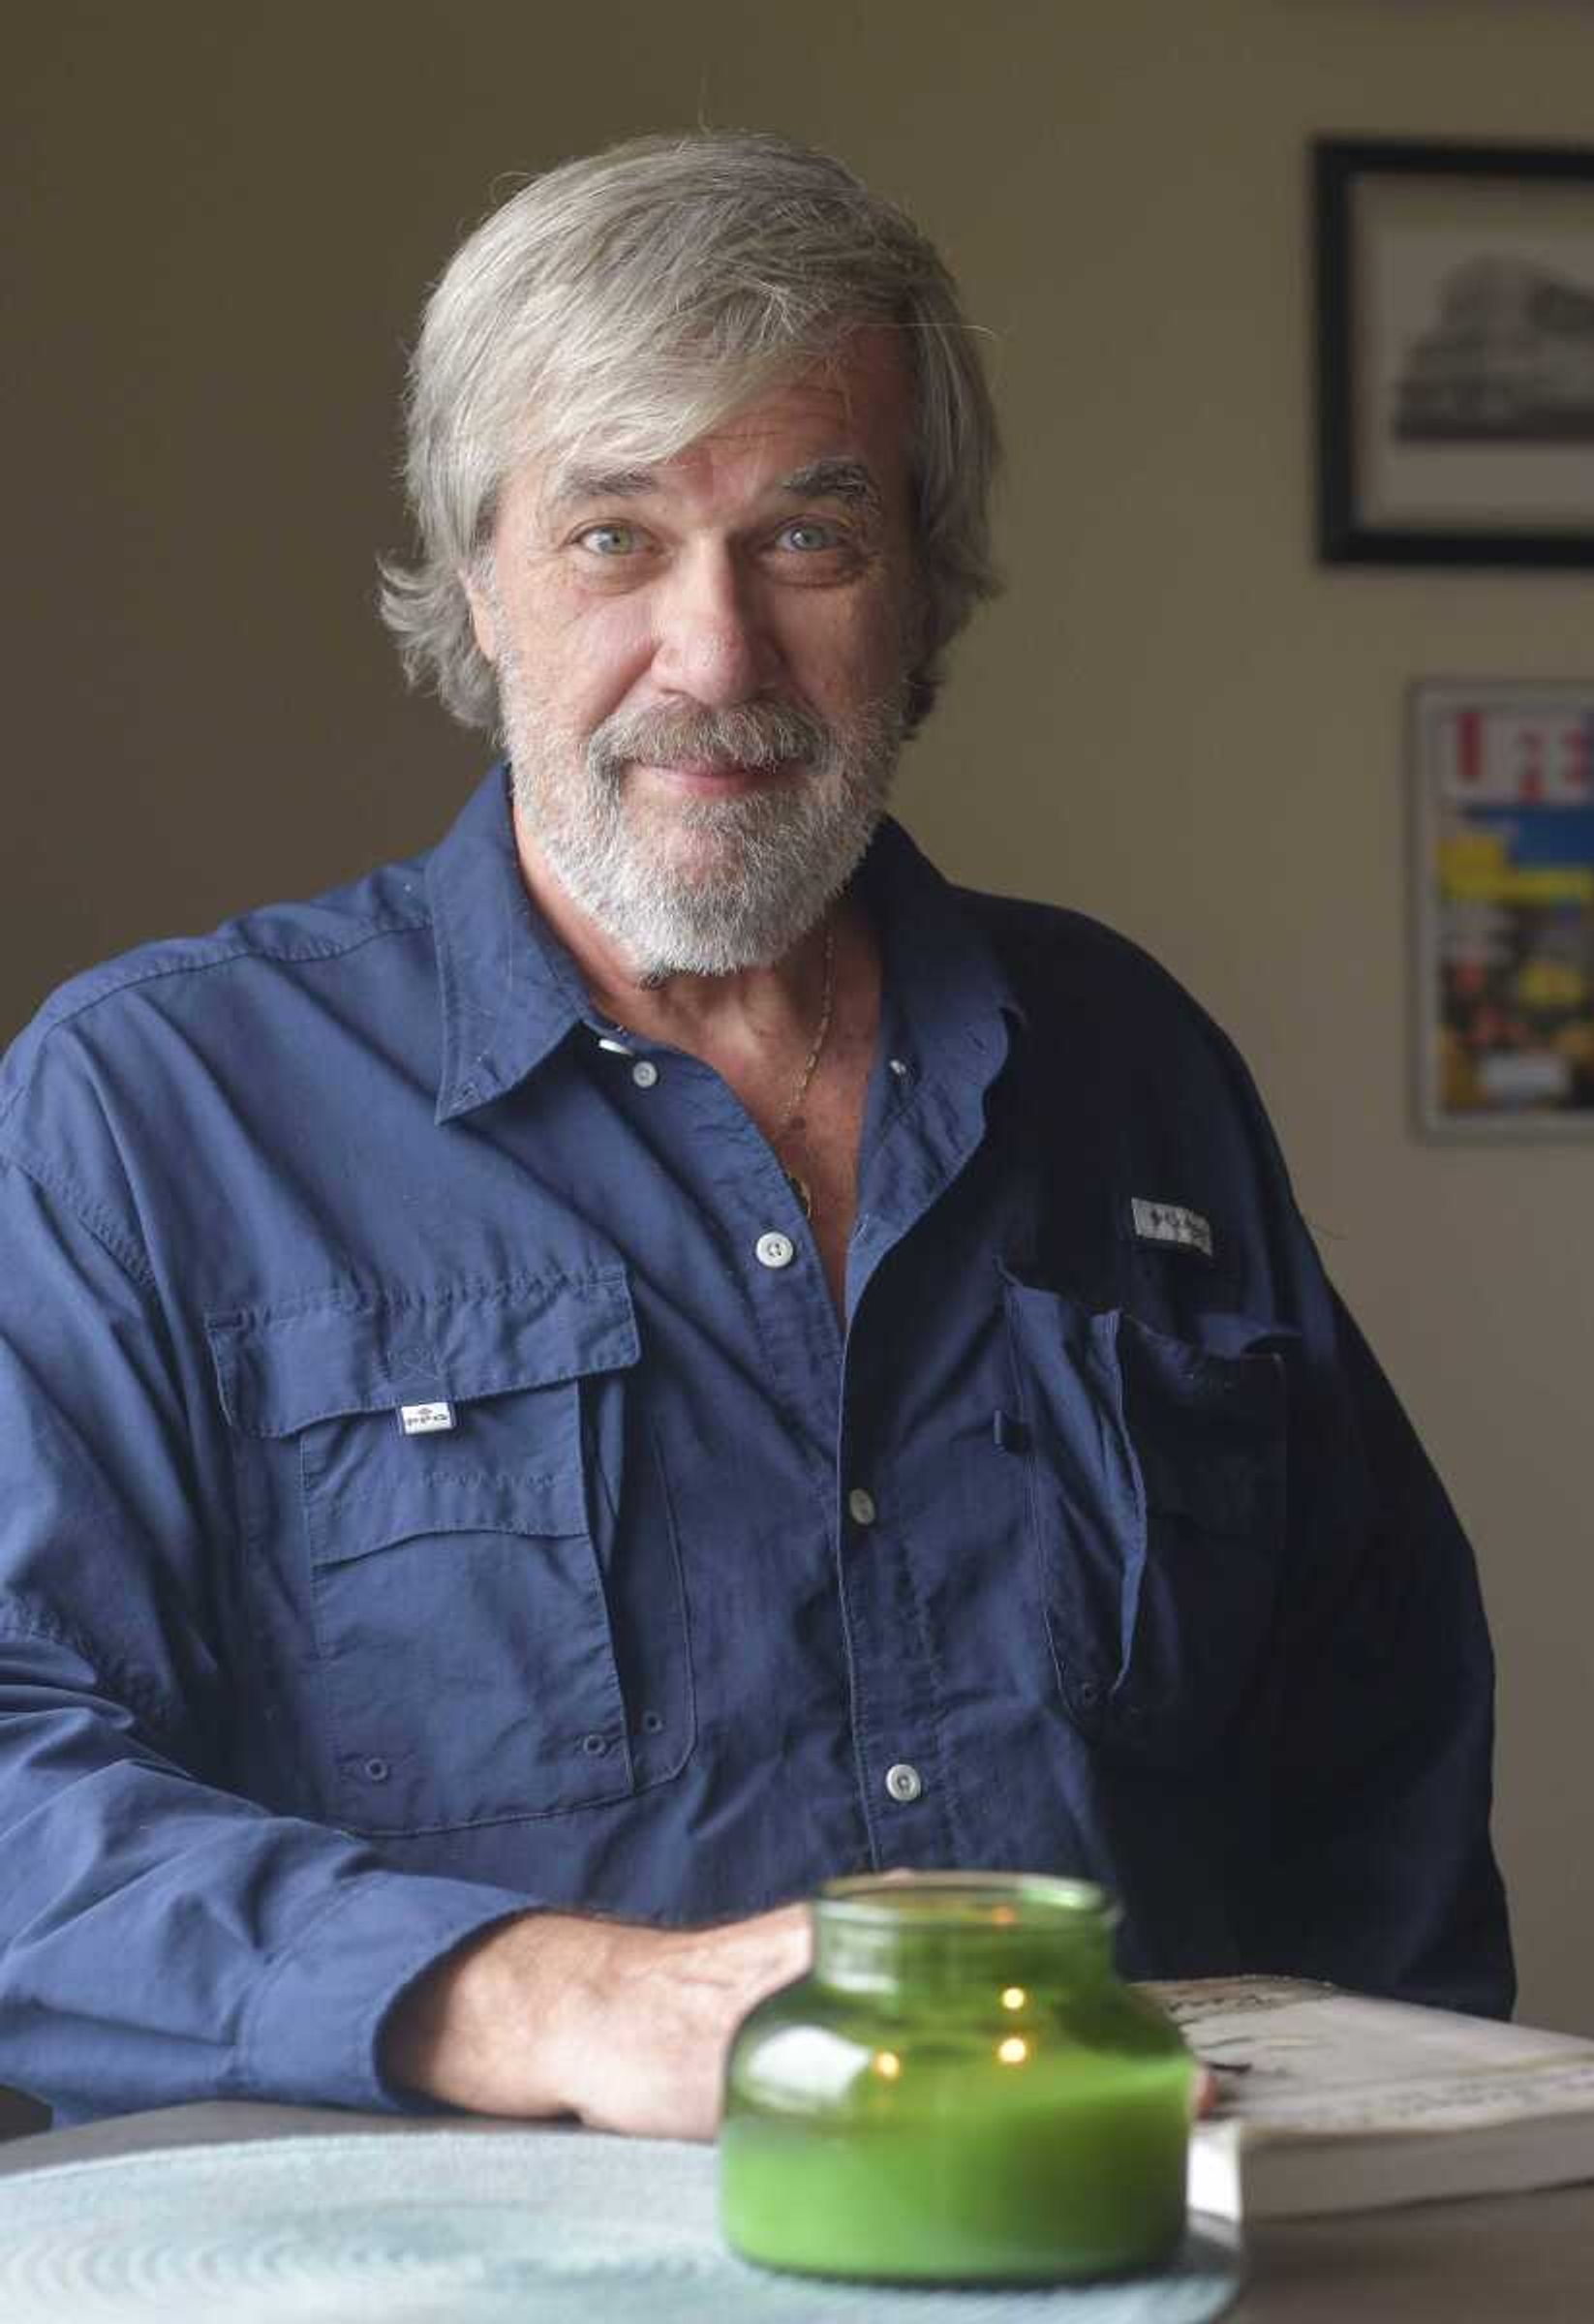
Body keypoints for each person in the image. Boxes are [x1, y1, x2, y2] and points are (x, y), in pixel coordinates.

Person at [0, 132, 1512, 2135]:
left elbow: (1377, 1741)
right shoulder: (154, 1110)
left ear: (922, 581)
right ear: (482, 580)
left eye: (811, 536)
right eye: (613, 538)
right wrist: (546, 2001)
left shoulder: (1129, 1065)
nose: (714, 661)